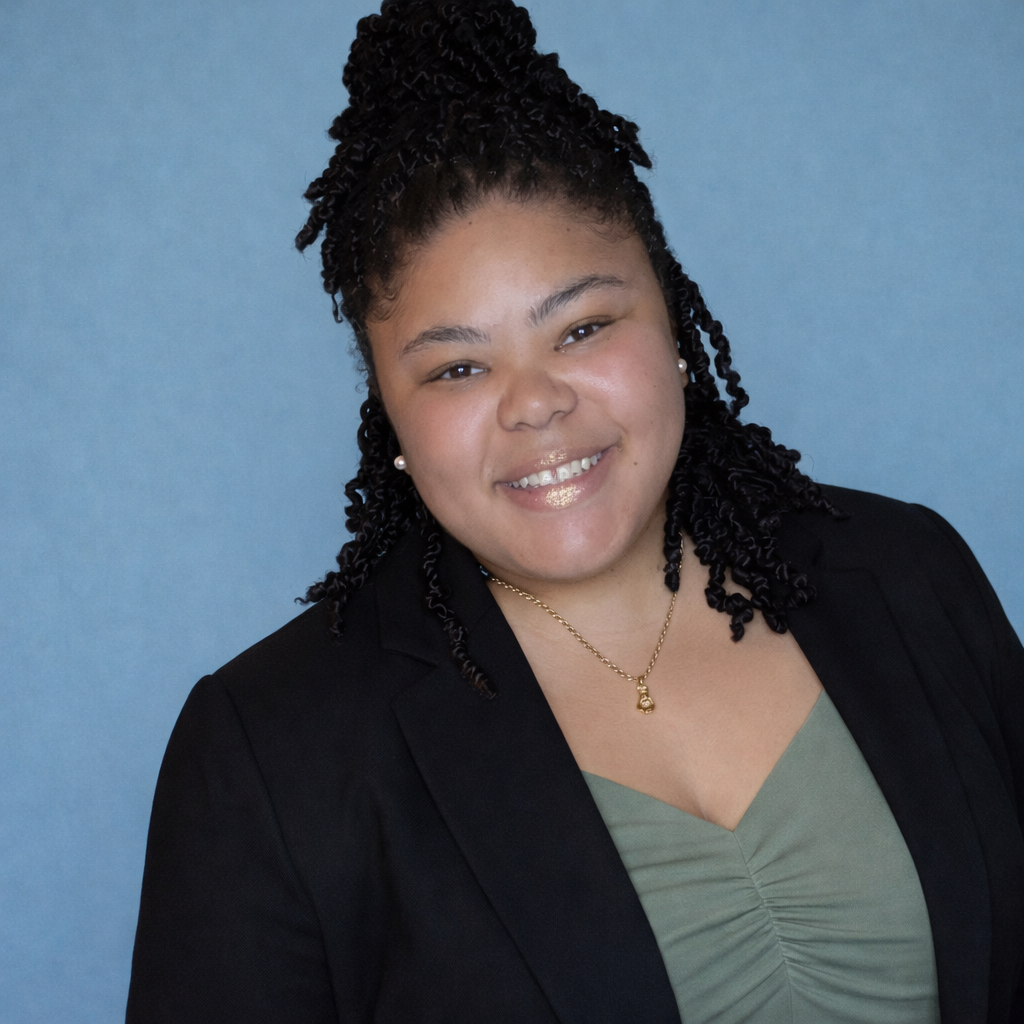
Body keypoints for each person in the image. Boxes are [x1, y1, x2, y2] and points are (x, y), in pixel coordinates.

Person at [125, 2, 1024, 1021]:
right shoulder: (271, 750)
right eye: (458, 367)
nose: (534, 402)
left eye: (582, 327)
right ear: (390, 417)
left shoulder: (908, 575)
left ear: (672, 322)